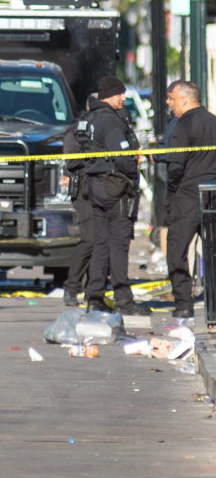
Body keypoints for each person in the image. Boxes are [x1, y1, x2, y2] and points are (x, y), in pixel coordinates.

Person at [78, 76, 148, 316]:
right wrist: (133, 171)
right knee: (118, 245)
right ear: (110, 95)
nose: (123, 98)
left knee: (100, 245)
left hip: (95, 186)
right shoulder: (111, 121)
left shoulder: (92, 118)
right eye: (120, 94)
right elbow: (123, 158)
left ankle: (95, 297)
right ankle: (123, 300)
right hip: (115, 188)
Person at [164, 80, 216, 318]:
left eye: (171, 98)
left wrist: (172, 192)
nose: (168, 103)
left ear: (184, 100)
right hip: (212, 191)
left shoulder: (183, 125)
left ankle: (184, 302)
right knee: (211, 248)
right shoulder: (213, 121)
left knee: (177, 248)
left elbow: (176, 165)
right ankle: (212, 304)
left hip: (187, 194)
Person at [61, 94, 97, 308]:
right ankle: (72, 286)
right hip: (85, 190)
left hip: (108, 190)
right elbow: (72, 160)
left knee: (103, 242)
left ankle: (95, 289)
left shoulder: (113, 124)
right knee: (90, 239)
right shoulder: (79, 130)